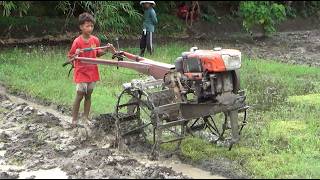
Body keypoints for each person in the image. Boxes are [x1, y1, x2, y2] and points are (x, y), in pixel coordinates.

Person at [67, 12, 106, 128]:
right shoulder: (77, 42)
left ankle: (85, 117)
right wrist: (76, 53)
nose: (90, 28)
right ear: (81, 27)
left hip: (92, 71)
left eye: (92, 26)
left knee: (89, 95)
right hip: (81, 71)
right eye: (87, 26)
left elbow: (98, 53)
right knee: (80, 95)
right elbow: (71, 57)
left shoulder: (95, 40)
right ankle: (74, 119)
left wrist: (106, 50)